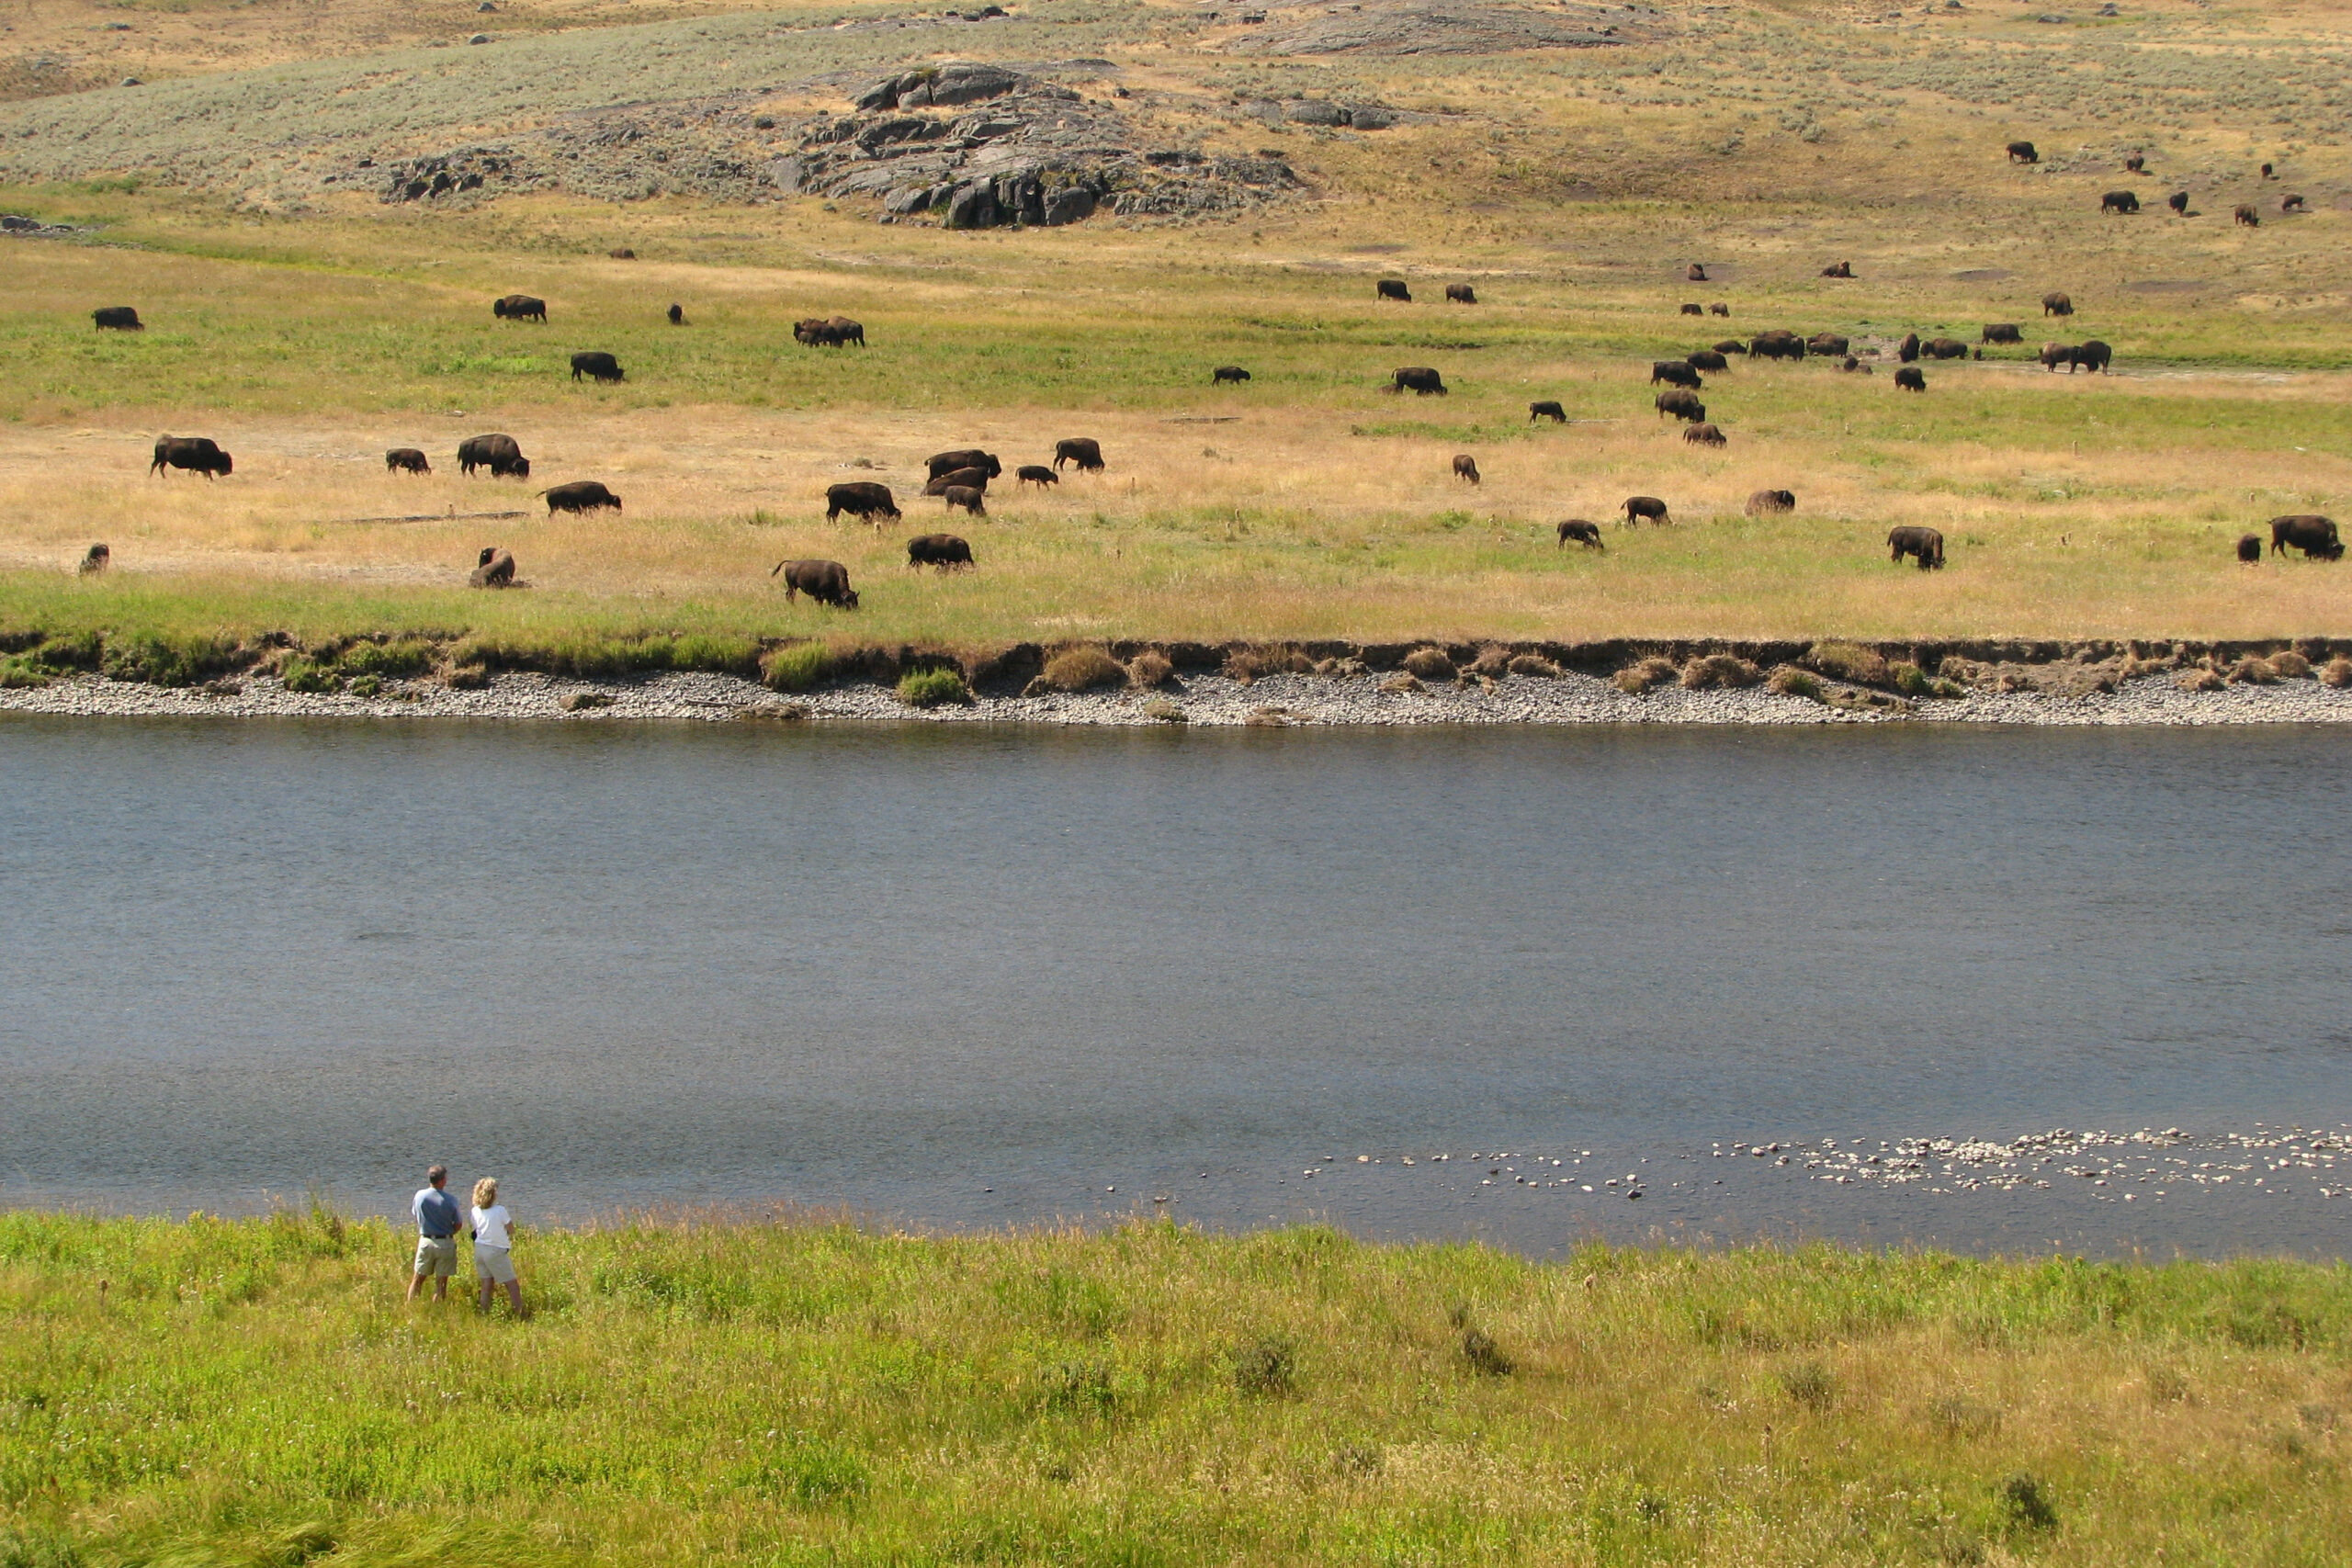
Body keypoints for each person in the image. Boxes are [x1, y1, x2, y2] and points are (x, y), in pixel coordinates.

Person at [406, 1164, 462, 1303]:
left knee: (417, 1279)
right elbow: (459, 1224)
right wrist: (449, 1232)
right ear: (443, 1180)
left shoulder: (419, 1196)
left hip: (425, 1241)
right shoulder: (450, 1200)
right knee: (441, 1284)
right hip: (445, 1243)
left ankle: (410, 1306)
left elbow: (416, 1214)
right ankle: (438, 1310)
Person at [470, 1176, 525, 1315]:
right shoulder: (500, 1210)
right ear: (492, 1194)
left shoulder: (475, 1210)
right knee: (512, 1285)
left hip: (480, 1249)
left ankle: (484, 1313)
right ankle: (520, 1314)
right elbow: (511, 1229)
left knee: (486, 1284)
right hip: (495, 1250)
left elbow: (475, 1229)